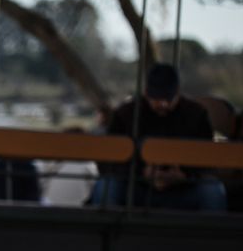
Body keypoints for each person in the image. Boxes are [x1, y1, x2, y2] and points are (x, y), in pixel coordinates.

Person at [95, 63, 226, 212]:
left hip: (183, 190)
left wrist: (185, 175)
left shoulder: (196, 114)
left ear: (178, 93)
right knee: (106, 186)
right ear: (146, 93)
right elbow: (110, 160)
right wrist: (141, 173)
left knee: (212, 190)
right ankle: (104, 233)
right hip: (137, 189)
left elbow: (208, 159)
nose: (163, 104)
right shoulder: (126, 114)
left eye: (168, 98)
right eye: (156, 98)